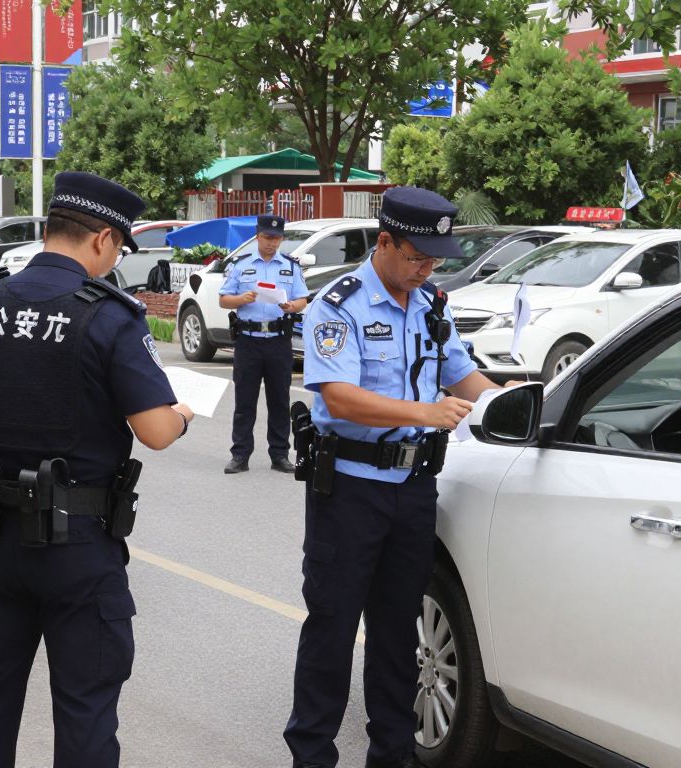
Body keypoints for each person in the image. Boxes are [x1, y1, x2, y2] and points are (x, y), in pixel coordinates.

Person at [0, 171, 194, 768]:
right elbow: (154, 431)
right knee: (85, 708)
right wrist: (182, 415)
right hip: (76, 547)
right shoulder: (108, 315)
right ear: (102, 238)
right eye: (119, 247)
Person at [283, 187, 504, 768]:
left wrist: (515, 407)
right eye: (418, 257)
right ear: (385, 241)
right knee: (332, 628)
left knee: (397, 633)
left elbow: (461, 374)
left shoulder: (431, 303)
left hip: (413, 491)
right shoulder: (339, 304)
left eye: (435, 260)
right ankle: (311, 755)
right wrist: (424, 414)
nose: (428, 269)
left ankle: (392, 755)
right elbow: (340, 396)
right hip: (350, 490)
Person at [219, 215, 309, 474]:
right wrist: (241, 298)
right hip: (249, 341)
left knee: (279, 400)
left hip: (278, 342)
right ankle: (240, 455)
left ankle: (280, 455)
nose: (272, 243)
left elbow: (302, 298)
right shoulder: (241, 265)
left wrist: (293, 306)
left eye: (277, 238)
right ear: (258, 236)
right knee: (244, 401)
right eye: (268, 238)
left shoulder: (290, 267)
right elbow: (224, 300)